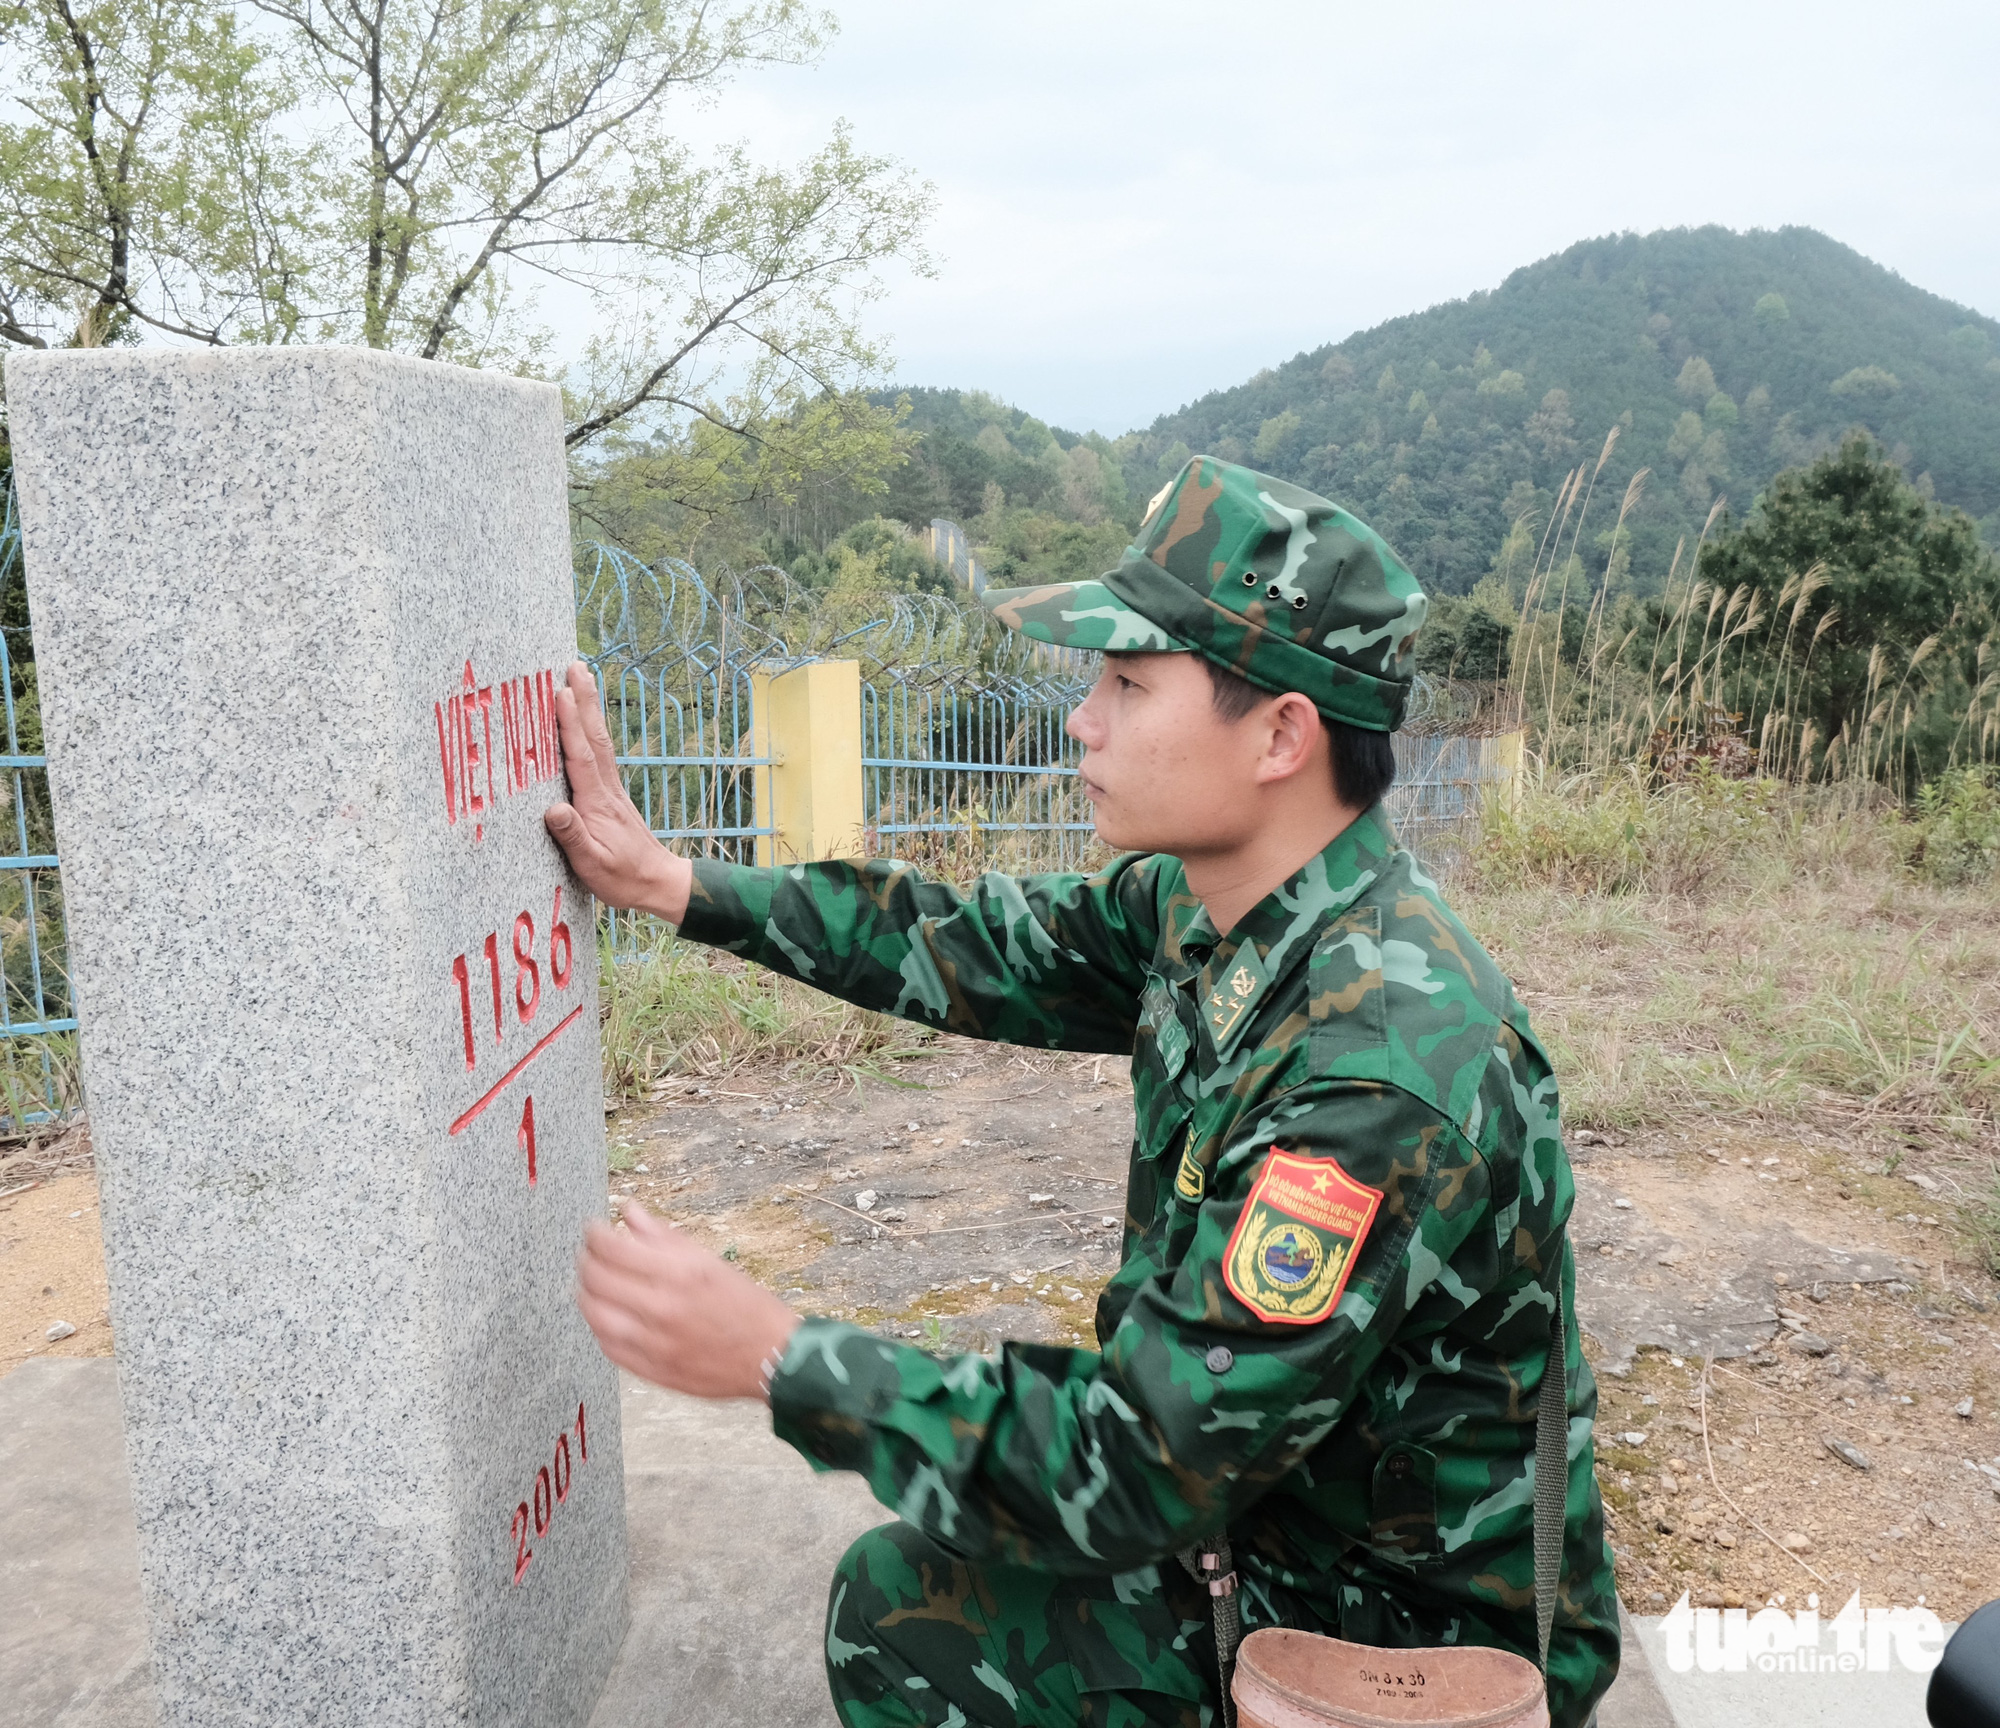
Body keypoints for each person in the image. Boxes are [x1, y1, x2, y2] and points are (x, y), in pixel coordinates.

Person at [552, 455, 1620, 1728]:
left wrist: (781, 1360)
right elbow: (978, 940)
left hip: (1400, 1627)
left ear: (1280, 732)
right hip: (1279, 1501)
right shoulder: (1233, 907)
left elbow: (1138, 1466)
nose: (1081, 721)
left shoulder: (1372, 1079)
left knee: (909, 1617)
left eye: (1124, 683)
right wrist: (678, 886)